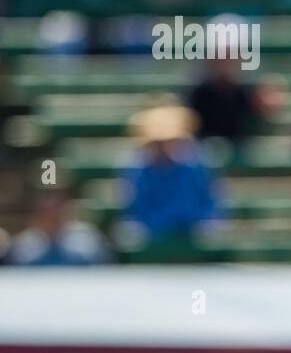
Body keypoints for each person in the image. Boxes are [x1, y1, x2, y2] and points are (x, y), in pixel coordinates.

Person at [118, 104, 223, 253]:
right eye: (158, 142)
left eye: (169, 141)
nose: (163, 146)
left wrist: (199, 224)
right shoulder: (138, 171)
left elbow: (208, 202)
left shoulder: (194, 167)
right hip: (152, 233)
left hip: (192, 230)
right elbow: (135, 208)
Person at [8, 189, 111, 266]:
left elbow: (102, 271)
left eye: (56, 211)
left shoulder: (87, 237)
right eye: (46, 213)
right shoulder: (23, 243)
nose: (52, 217)